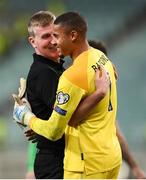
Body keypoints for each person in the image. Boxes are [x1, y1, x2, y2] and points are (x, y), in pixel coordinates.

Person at [13, 11, 122, 179]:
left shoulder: (66, 71)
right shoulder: (44, 73)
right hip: (59, 162)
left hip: (81, 160)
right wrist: (29, 119)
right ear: (32, 41)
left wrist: (30, 120)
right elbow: (59, 125)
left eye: (55, 35)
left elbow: (65, 120)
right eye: (46, 36)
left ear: (72, 35)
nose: (53, 41)